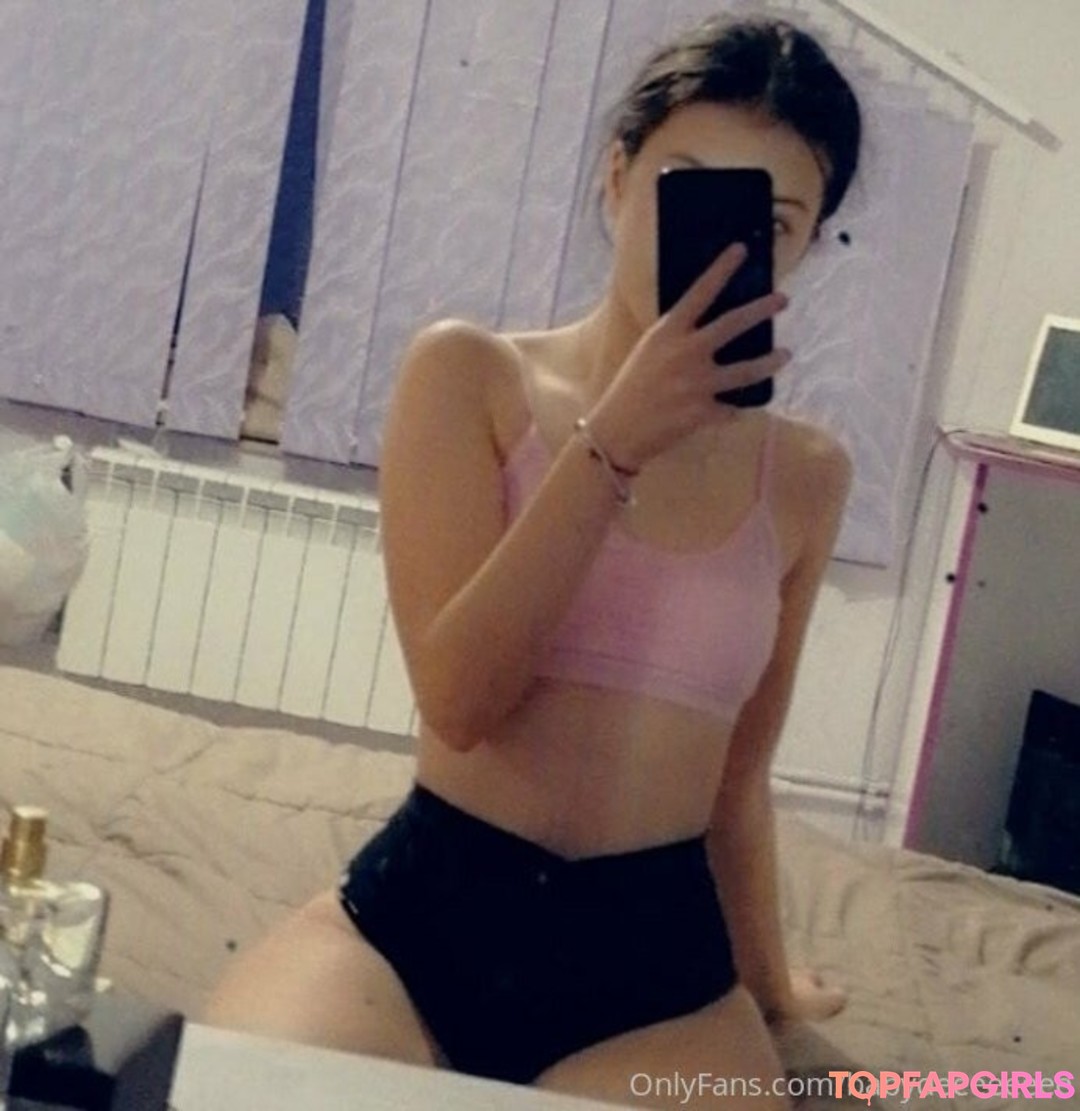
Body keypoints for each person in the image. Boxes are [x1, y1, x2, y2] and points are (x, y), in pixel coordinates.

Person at [204, 15, 862, 1110]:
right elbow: (460, 700)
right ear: (617, 179)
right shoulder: (470, 377)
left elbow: (738, 778)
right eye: (684, 188)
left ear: (802, 249)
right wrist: (613, 445)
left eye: (775, 223)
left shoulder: (805, 476)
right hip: (424, 921)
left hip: (656, 971)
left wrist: (776, 997)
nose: (720, 246)